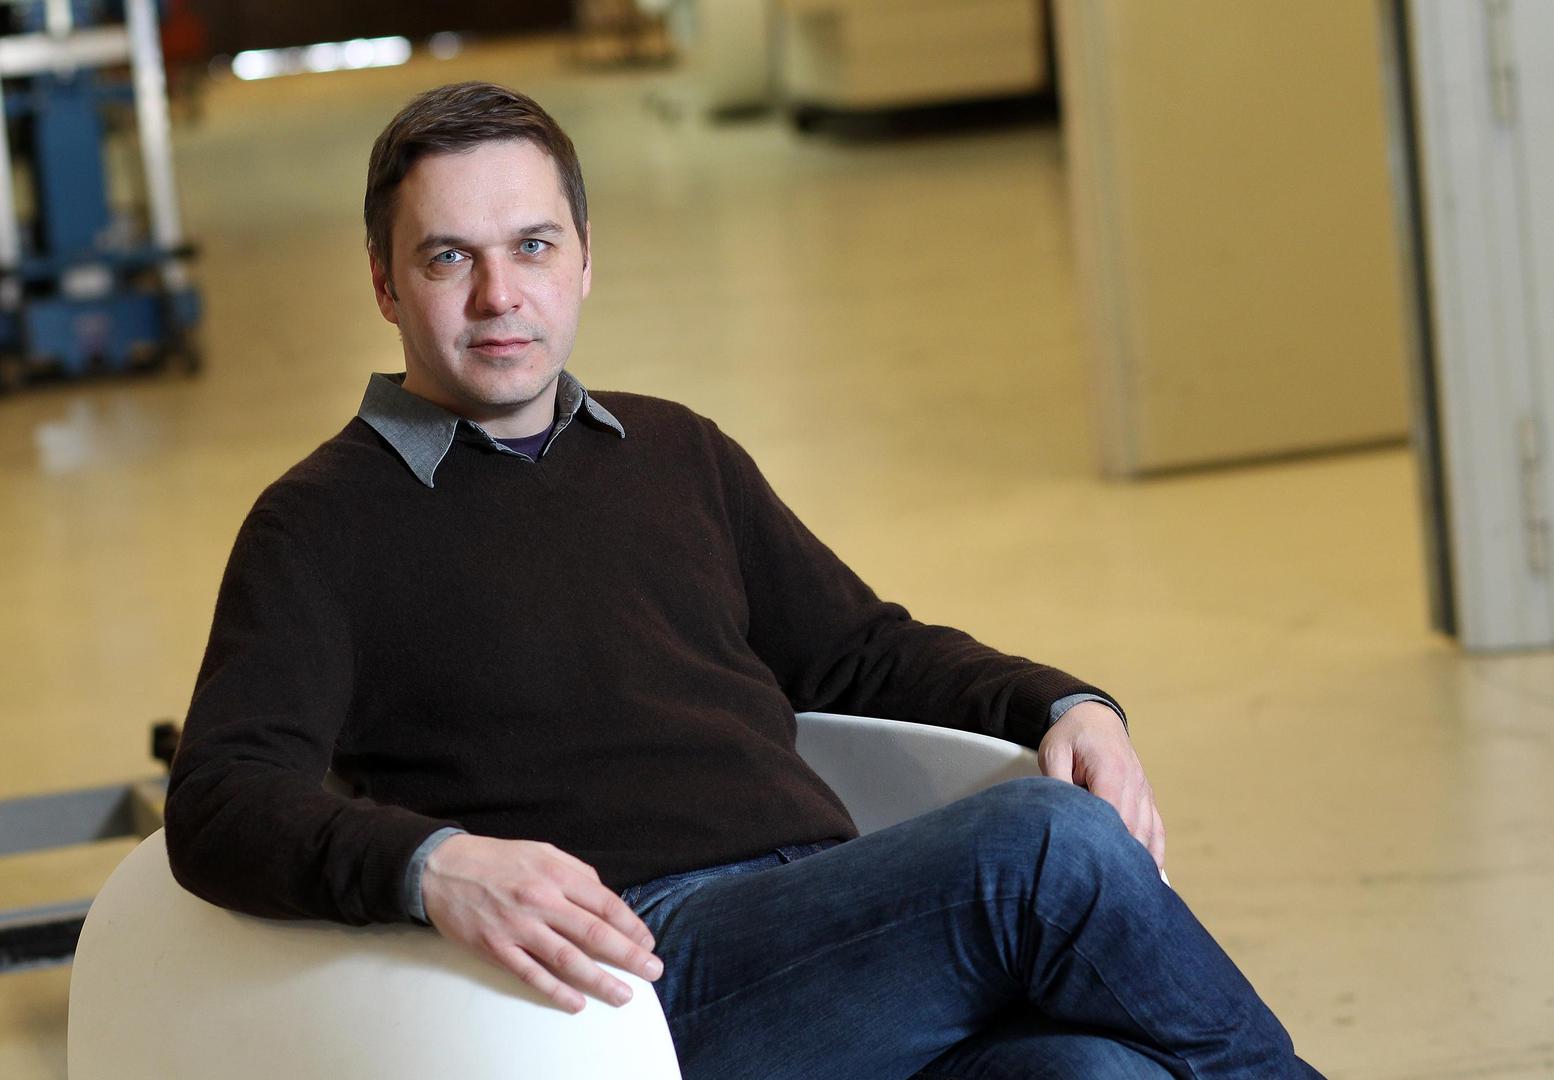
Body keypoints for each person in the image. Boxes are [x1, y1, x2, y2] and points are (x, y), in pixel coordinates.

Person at [164, 81, 1323, 1079]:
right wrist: (433, 868)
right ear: (384, 282)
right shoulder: (320, 525)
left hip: (837, 929)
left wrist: (1068, 704)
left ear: (585, 258)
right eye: (448, 257)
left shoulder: (675, 452)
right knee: (1046, 848)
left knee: (1098, 1071)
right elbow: (221, 799)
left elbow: (864, 650)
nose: (499, 294)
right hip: (638, 980)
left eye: (534, 246)